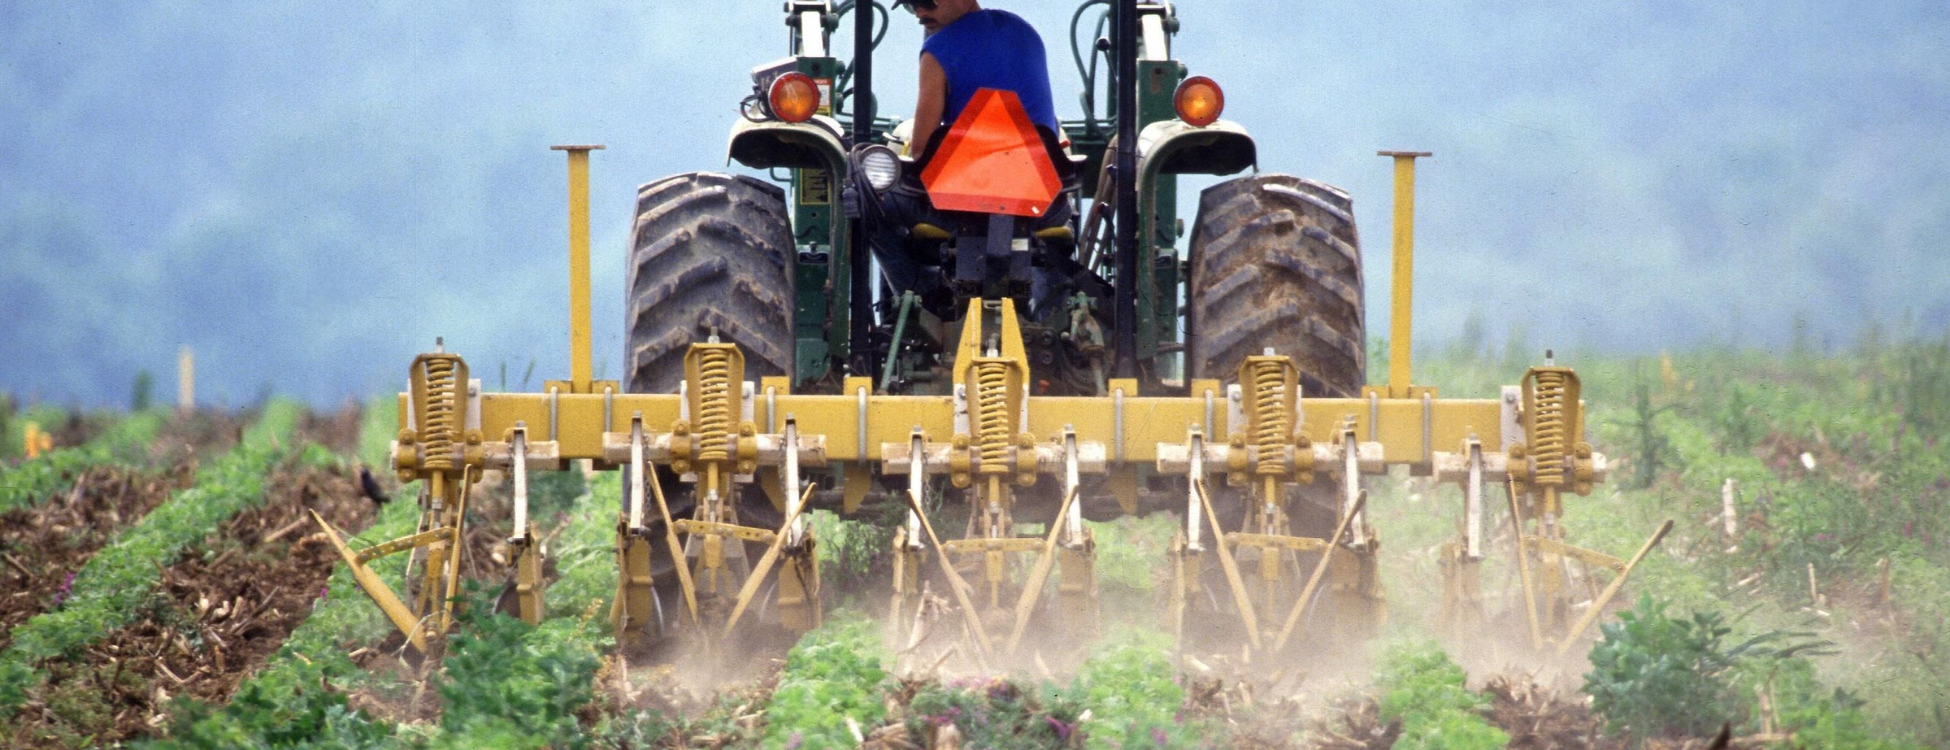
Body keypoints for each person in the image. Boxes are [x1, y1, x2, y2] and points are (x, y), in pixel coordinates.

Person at [894, 0, 1059, 160]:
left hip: (975, 180)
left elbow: (921, 152)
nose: (920, 13)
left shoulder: (936, 50)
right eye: (912, 5)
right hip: (1044, 174)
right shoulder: (1024, 30)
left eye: (928, 2)